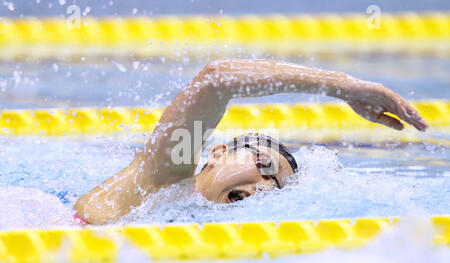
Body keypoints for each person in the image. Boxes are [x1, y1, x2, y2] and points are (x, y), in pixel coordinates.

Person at [73, 58, 428, 225]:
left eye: (275, 185)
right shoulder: (159, 178)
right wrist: (341, 86)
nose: (264, 186)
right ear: (217, 152)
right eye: (264, 165)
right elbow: (216, 79)